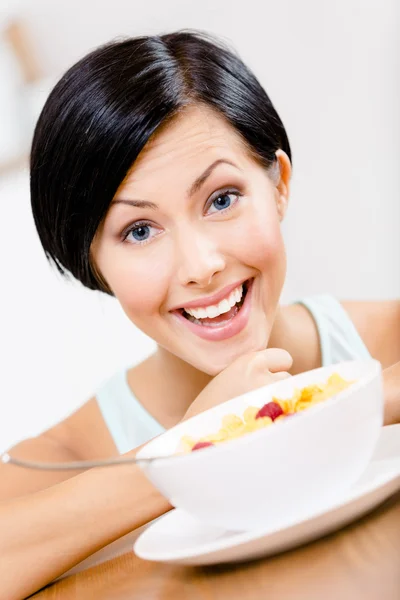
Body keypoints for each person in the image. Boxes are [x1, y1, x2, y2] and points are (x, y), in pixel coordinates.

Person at [1, 30, 399, 599]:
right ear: (92, 262)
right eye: (138, 231)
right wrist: (195, 447)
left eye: (221, 198)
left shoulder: (388, 344)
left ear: (279, 185)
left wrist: (339, 401)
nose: (200, 265)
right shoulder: (65, 458)